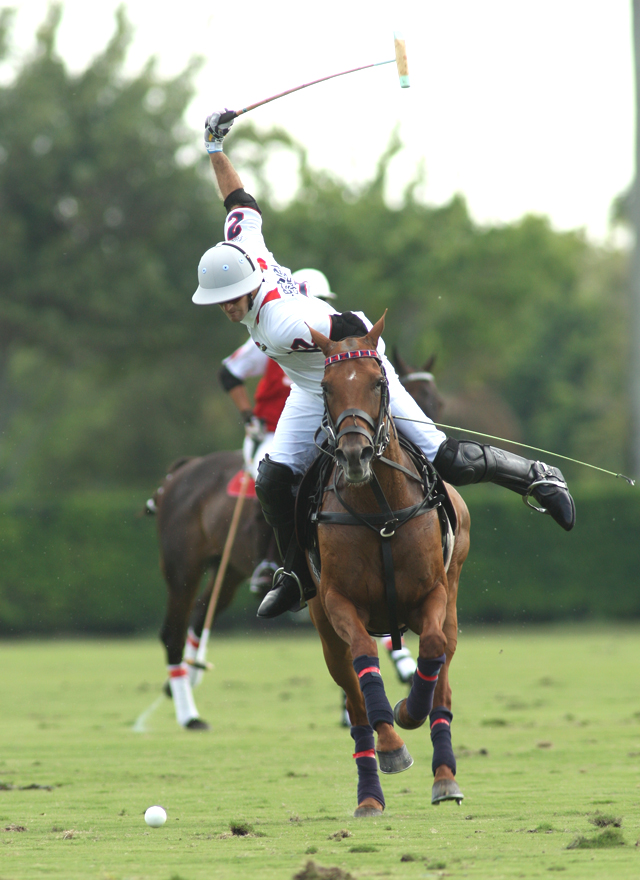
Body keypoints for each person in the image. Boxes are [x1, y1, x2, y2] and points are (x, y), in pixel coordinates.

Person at [194, 110, 576, 620]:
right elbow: (238, 200)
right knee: (272, 480)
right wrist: (215, 147)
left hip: (359, 373)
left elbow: (353, 322)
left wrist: (358, 379)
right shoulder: (242, 245)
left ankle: (537, 477)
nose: (227, 308)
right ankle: (296, 573)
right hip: (309, 389)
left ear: (249, 285)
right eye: (219, 302)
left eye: (233, 298)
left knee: (446, 460)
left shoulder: (285, 323)